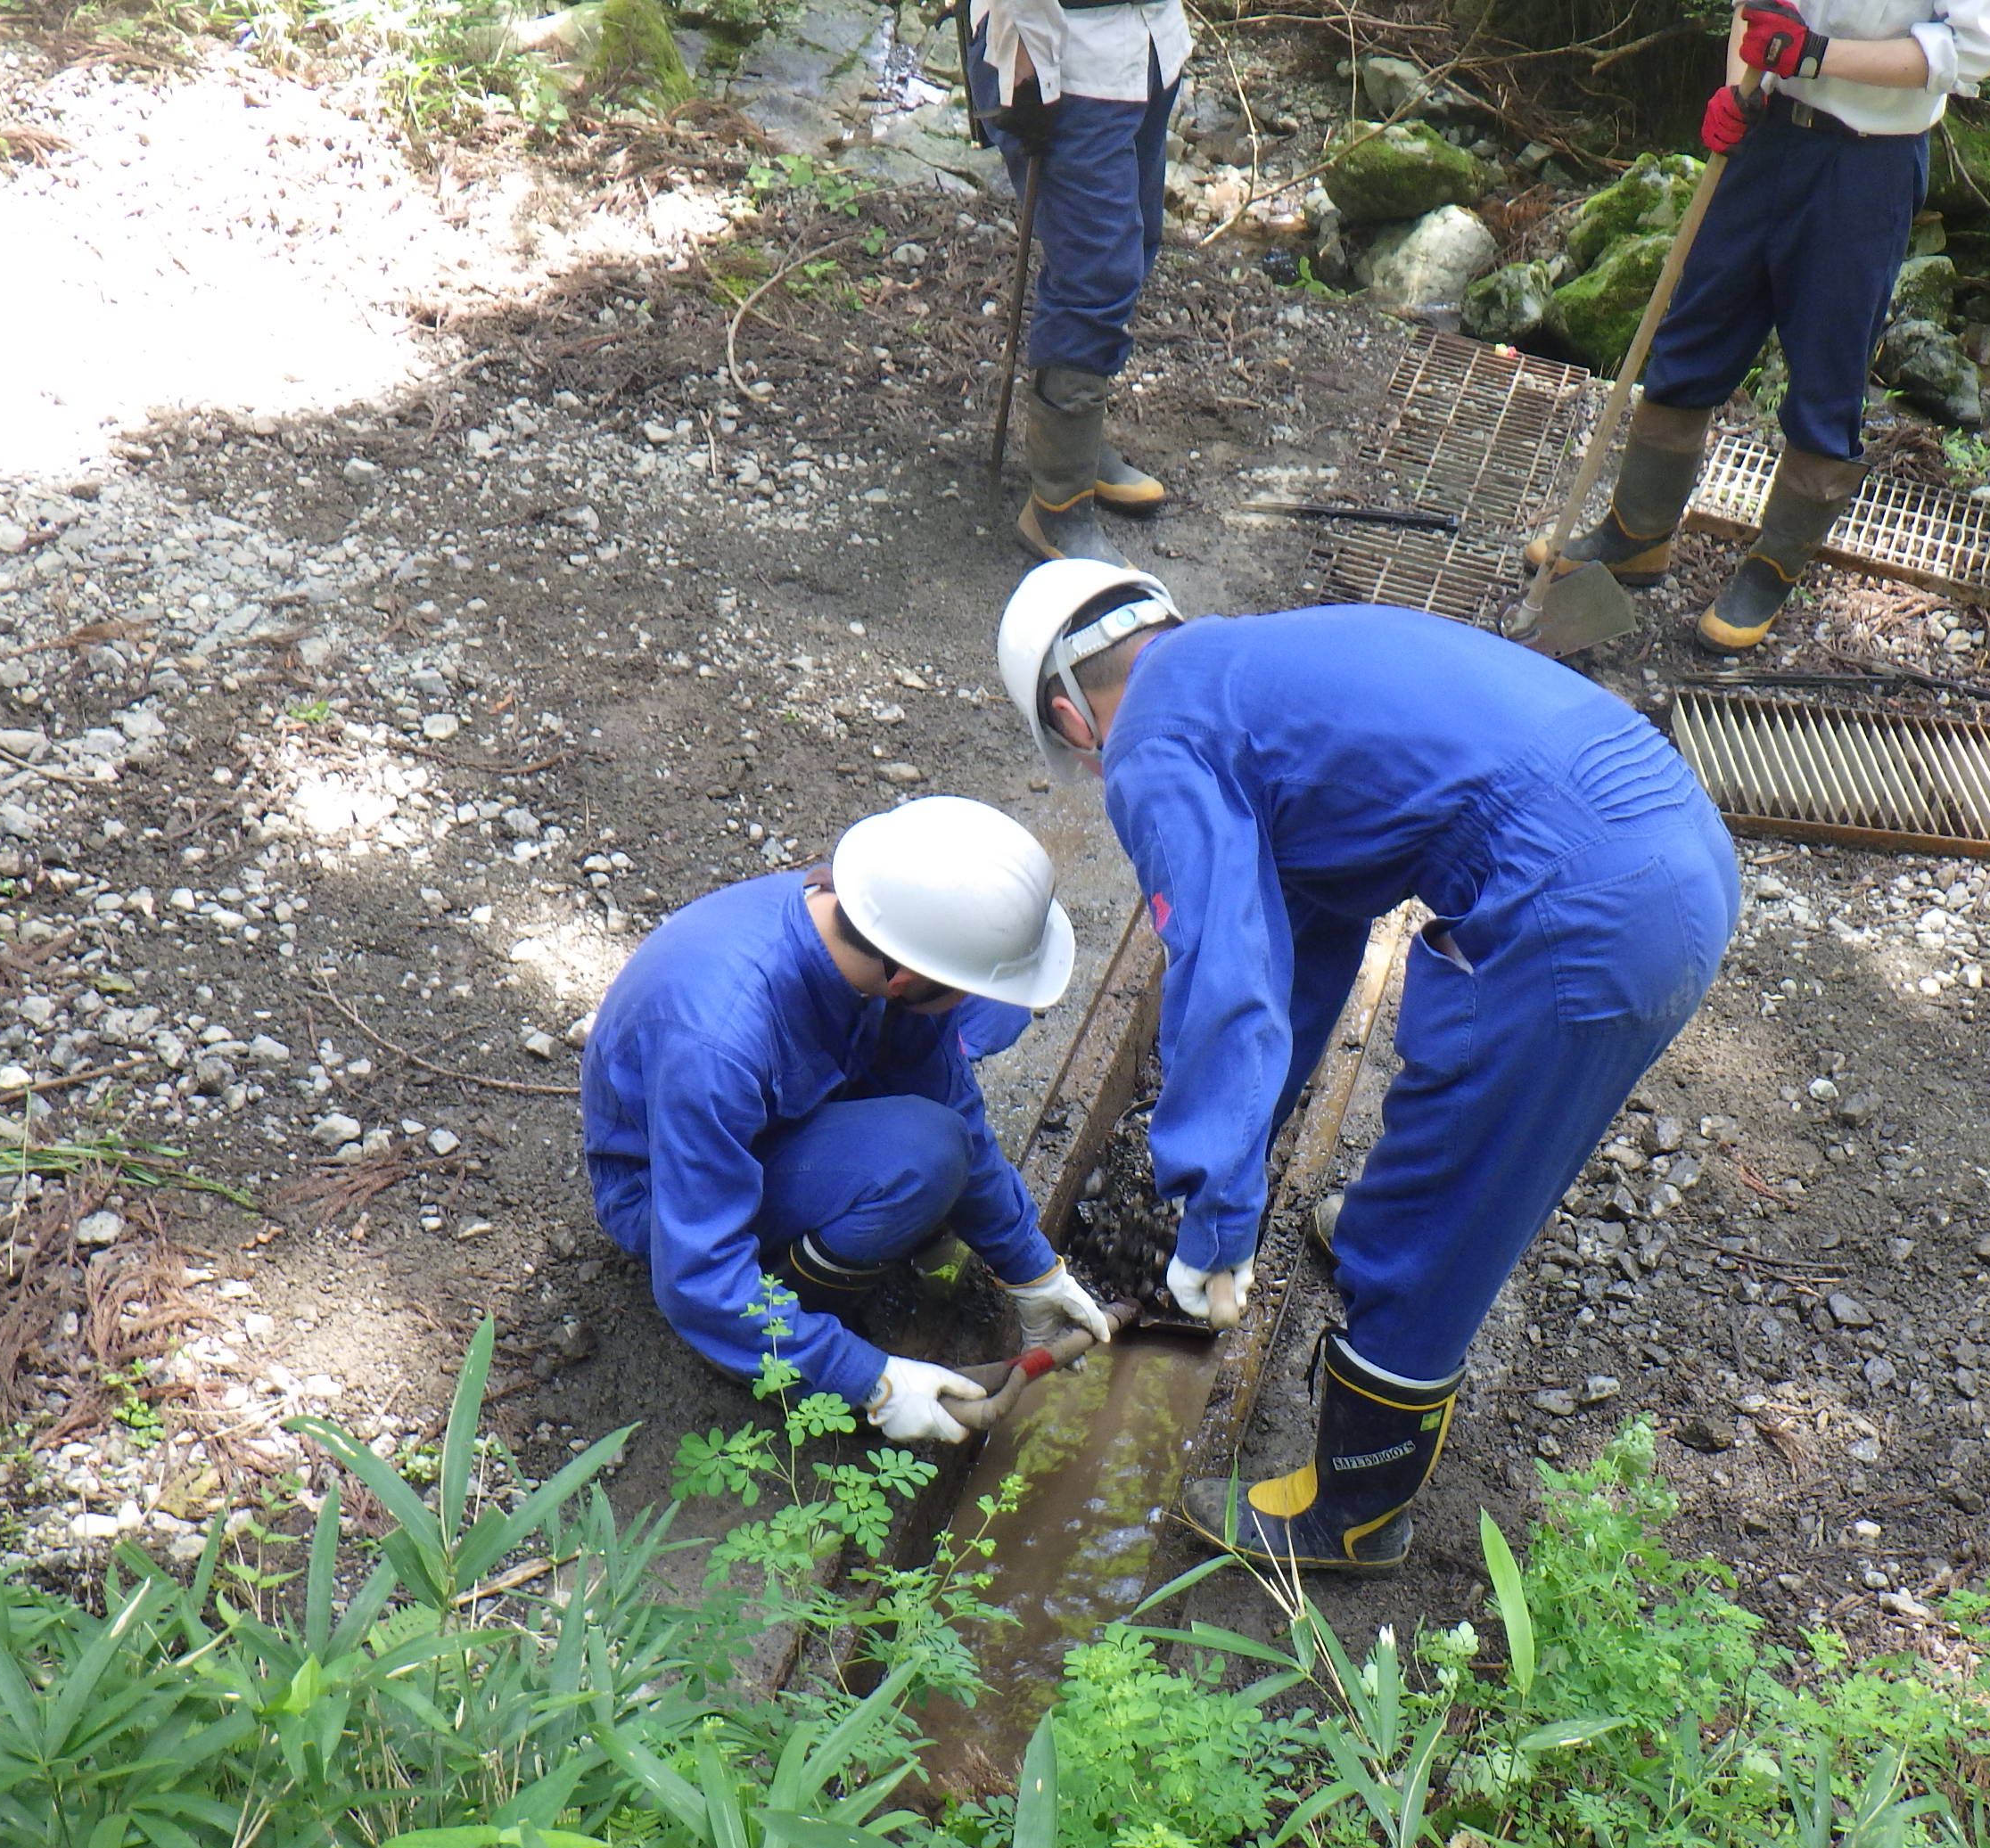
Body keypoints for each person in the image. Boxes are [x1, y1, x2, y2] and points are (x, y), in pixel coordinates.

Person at [994, 562, 1742, 1572]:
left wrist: (1215, 1219)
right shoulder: (1254, 668)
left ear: (1067, 714)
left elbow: (1222, 970)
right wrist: (1240, 1148)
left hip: (1585, 909)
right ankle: (1393, 1242)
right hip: (1667, 834)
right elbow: (1303, 935)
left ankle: (1351, 1512)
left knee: (1444, 1199)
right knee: (1477, 1146)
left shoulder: (1152, 745)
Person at [580, 796, 1114, 1446]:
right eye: (964, 986)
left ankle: (824, 1269)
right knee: (922, 1158)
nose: (970, 1004)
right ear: (906, 979)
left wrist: (1031, 1267)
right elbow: (697, 1271)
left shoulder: (873, 926)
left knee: (939, 1131)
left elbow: (949, 1099)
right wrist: (865, 1377)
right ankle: (766, 1337)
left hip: (775, 1121)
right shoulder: (717, 1041)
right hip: (667, 1194)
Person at [1530, 0, 1990, 650]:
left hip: (1869, 161)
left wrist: (1815, 54)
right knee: (1695, 330)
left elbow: (1969, 51)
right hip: (1770, 129)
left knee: (1828, 371)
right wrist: (1736, 90)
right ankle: (1638, 532)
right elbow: (1759, 15)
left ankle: (1773, 566)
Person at [968, 0, 1190, 563]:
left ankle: (1074, 449)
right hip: (1058, 53)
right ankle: (1059, 507)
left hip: (1147, 42)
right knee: (1095, 272)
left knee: (1134, 242)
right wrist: (1027, 57)